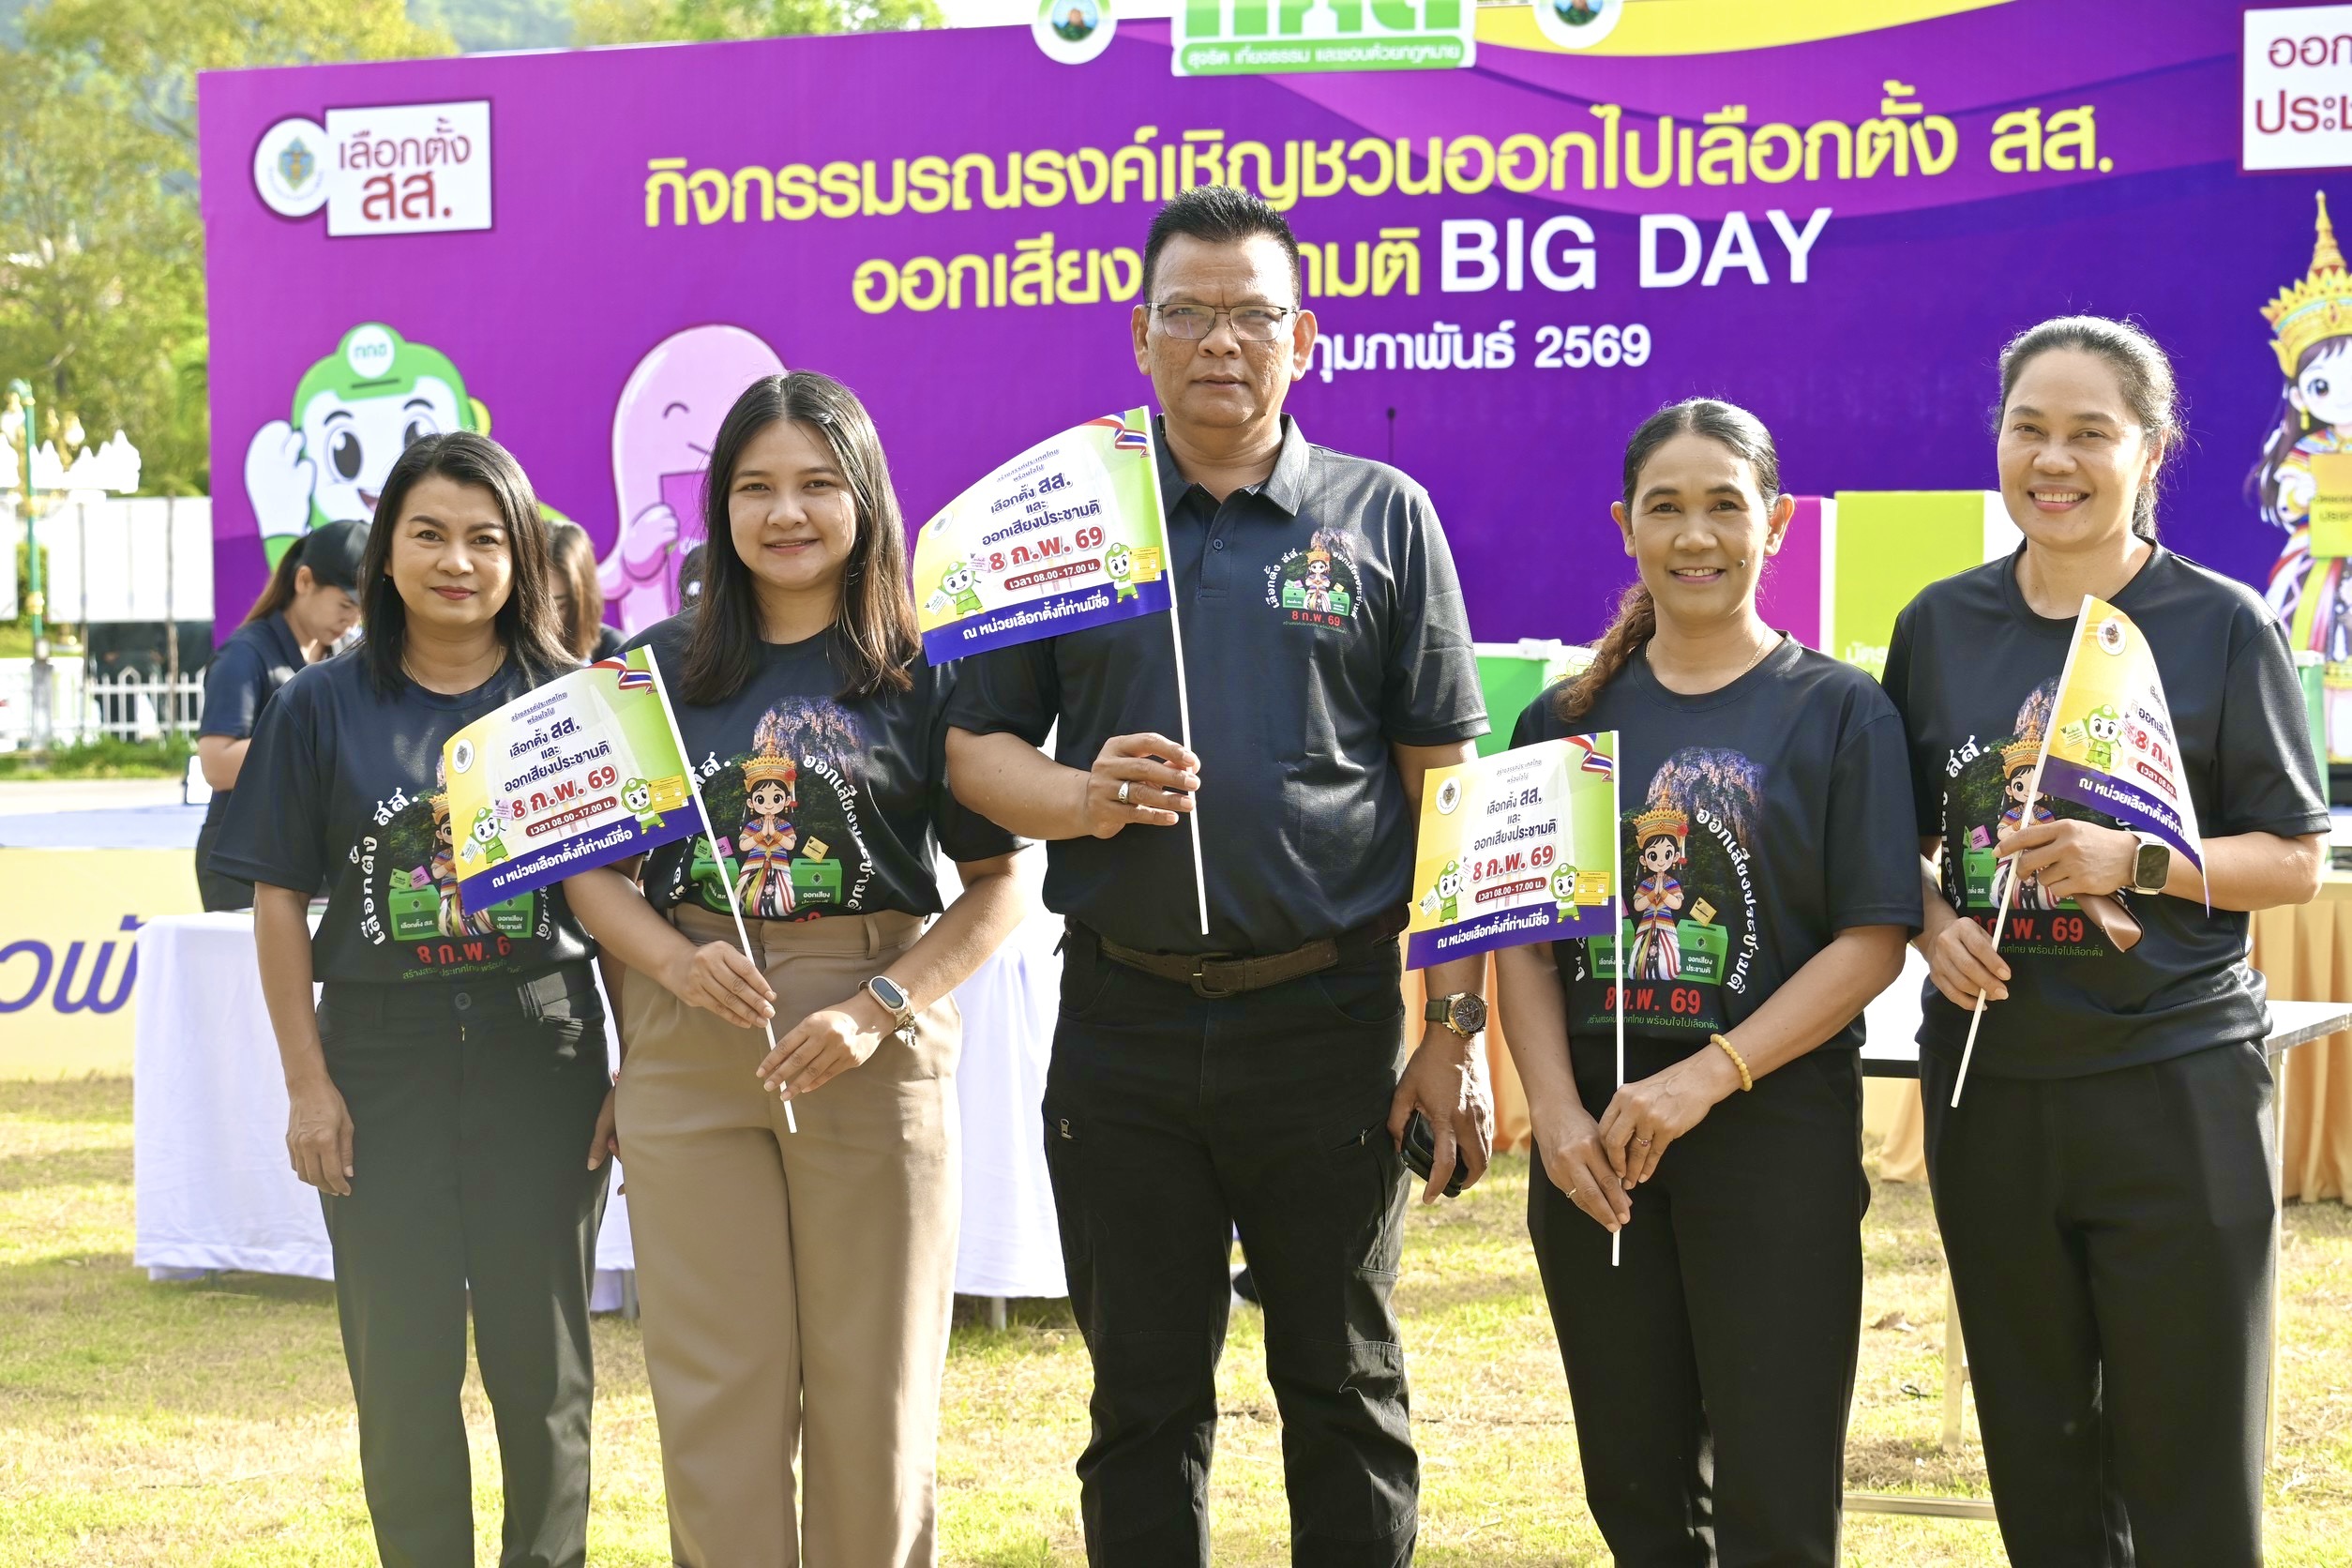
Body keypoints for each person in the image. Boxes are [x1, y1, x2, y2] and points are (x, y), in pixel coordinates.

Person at [945, 185, 1494, 1567]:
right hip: (1124, 1027)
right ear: (1140, 336)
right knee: (1141, 1401)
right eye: (1187, 313)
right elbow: (973, 754)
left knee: (1345, 1387)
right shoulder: (1072, 515)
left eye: (1253, 314)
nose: (1220, 342)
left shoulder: (1385, 515)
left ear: (1304, 337)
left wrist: (1455, 1033)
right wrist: (1078, 797)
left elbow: (1454, 798)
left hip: (1330, 1023)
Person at [1881, 316, 2329, 1568]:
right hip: (1992, 1087)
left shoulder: (2222, 624)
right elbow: (1899, 842)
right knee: (2041, 1457)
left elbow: (2295, 859)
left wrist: (2131, 859)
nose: (2055, 458)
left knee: (2188, 1456)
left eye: (2091, 432)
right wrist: (1935, 924)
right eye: (2030, 428)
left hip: (2174, 1084)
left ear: (2151, 451)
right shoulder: (1939, 626)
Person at [562, 371, 1026, 1568]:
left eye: (818, 484)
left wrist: (880, 1008)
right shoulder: (650, 667)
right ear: (719, 507)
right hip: (691, 1034)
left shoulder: (925, 668)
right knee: (717, 1396)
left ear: (864, 497)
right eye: (757, 487)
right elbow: (588, 870)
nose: (787, 513)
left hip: (869, 1037)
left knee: (874, 1397)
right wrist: (675, 959)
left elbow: (996, 885)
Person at [1497, 399, 1920, 1566]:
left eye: (1726, 505)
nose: (1698, 535)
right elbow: (1523, 942)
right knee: (1635, 1496)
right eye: (1667, 508)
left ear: (1776, 523)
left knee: (1775, 1501)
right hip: (1597, 1155)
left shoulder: (1841, 711)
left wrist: (1703, 1079)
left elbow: (1871, 939)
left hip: (1770, 1140)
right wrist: (1557, 1120)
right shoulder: (1561, 719)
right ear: (1625, 525)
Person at [210, 432, 613, 1568]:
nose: (457, 560)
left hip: (546, 1044)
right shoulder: (319, 706)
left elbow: (623, 898)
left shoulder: (570, 700)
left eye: (487, 538)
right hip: (379, 1062)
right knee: (402, 1370)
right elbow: (279, 900)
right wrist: (310, 1085)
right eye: (428, 533)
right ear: (386, 551)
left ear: (521, 557)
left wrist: (637, 1068)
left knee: (545, 1372)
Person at [191, 520, 364, 911]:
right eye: (346, 605)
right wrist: (315, 743)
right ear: (304, 581)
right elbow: (216, 765)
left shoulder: (339, 657)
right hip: (244, 861)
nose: (353, 621)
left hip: (316, 859)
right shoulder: (246, 655)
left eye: (361, 611)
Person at [550, 518, 626, 662]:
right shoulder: (500, 652)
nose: (545, 619)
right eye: (534, 602)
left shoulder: (618, 650)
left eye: (560, 606)